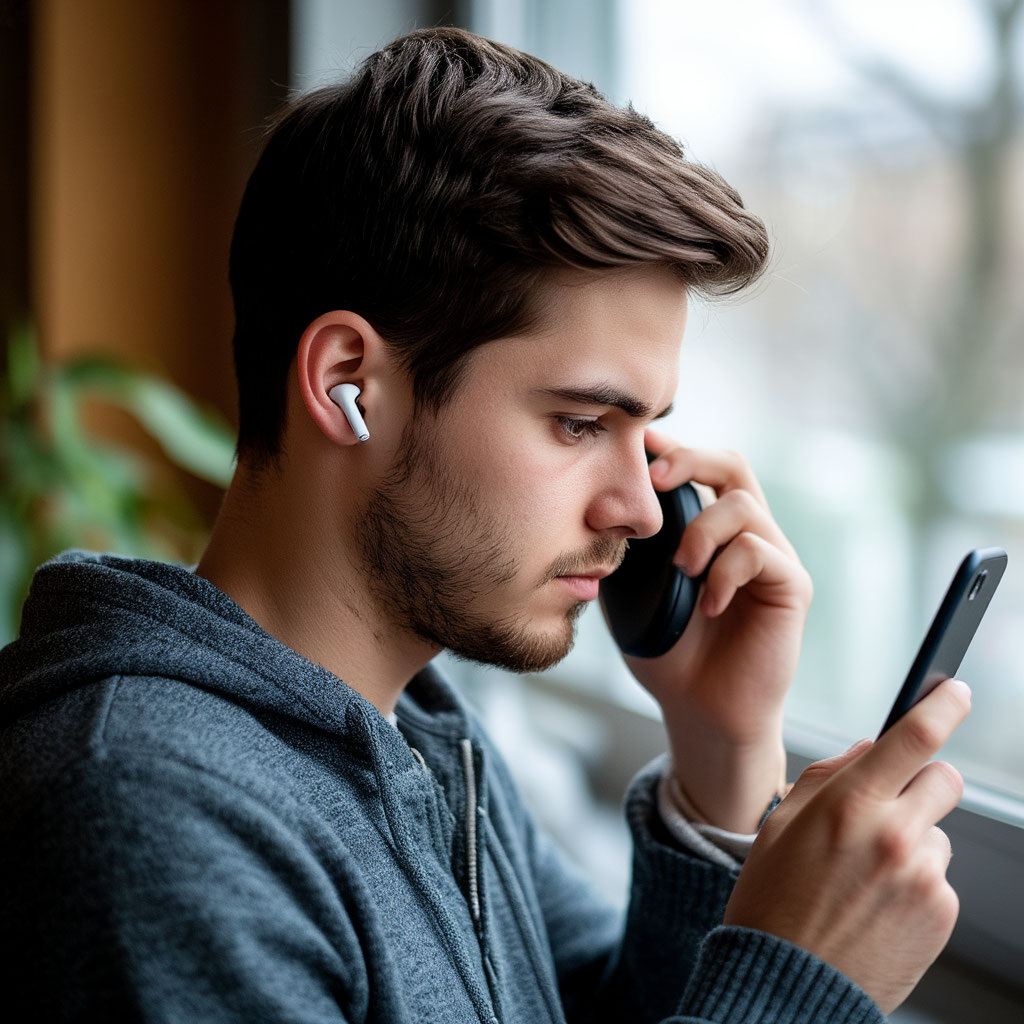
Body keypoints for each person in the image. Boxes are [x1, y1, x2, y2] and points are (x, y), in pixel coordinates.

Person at [0, 26, 970, 1023]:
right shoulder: (151, 814)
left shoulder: (420, 731)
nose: (640, 509)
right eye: (581, 422)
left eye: (646, 434)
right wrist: (801, 984)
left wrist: (720, 750)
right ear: (347, 386)